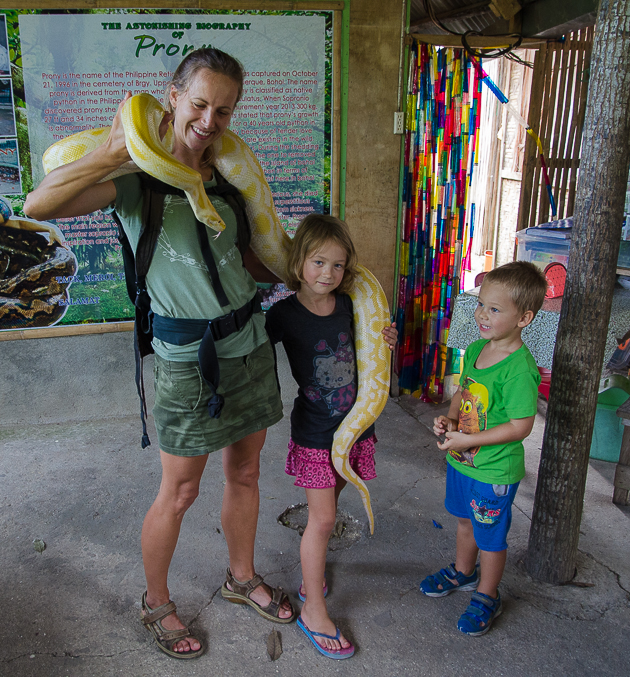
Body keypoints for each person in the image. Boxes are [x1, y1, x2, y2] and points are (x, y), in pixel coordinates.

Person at [23, 47, 296, 660]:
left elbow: (251, 259)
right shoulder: (132, 175)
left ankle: (241, 578)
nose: (209, 120)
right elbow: (36, 206)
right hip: (183, 357)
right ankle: (156, 602)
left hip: (249, 340)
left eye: (223, 111)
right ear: (171, 96)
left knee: (247, 472)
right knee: (179, 491)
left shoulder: (229, 173)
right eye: (199, 104)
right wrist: (114, 151)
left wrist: (328, 292)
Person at [265, 214, 397, 660]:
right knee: (321, 520)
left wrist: (387, 339)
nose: (328, 274)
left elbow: (370, 350)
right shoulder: (282, 313)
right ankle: (313, 610)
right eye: (319, 262)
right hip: (317, 432)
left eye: (338, 266)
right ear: (299, 260)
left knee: (332, 504)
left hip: (355, 426)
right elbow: (254, 352)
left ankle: (311, 571)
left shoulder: (348, 304)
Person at [424, 261, 547, 636]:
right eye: (481, 304)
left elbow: (521, 425)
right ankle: (463, 572)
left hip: (493, 472)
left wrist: (469, 439)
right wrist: (449, 420)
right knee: (464, 521)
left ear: (524, 318)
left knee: (490, 537)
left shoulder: (520, 369)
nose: (481, 314)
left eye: (494, 309)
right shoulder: (477, 347)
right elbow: (463, 393)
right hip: (462, 460)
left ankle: (487, 594)